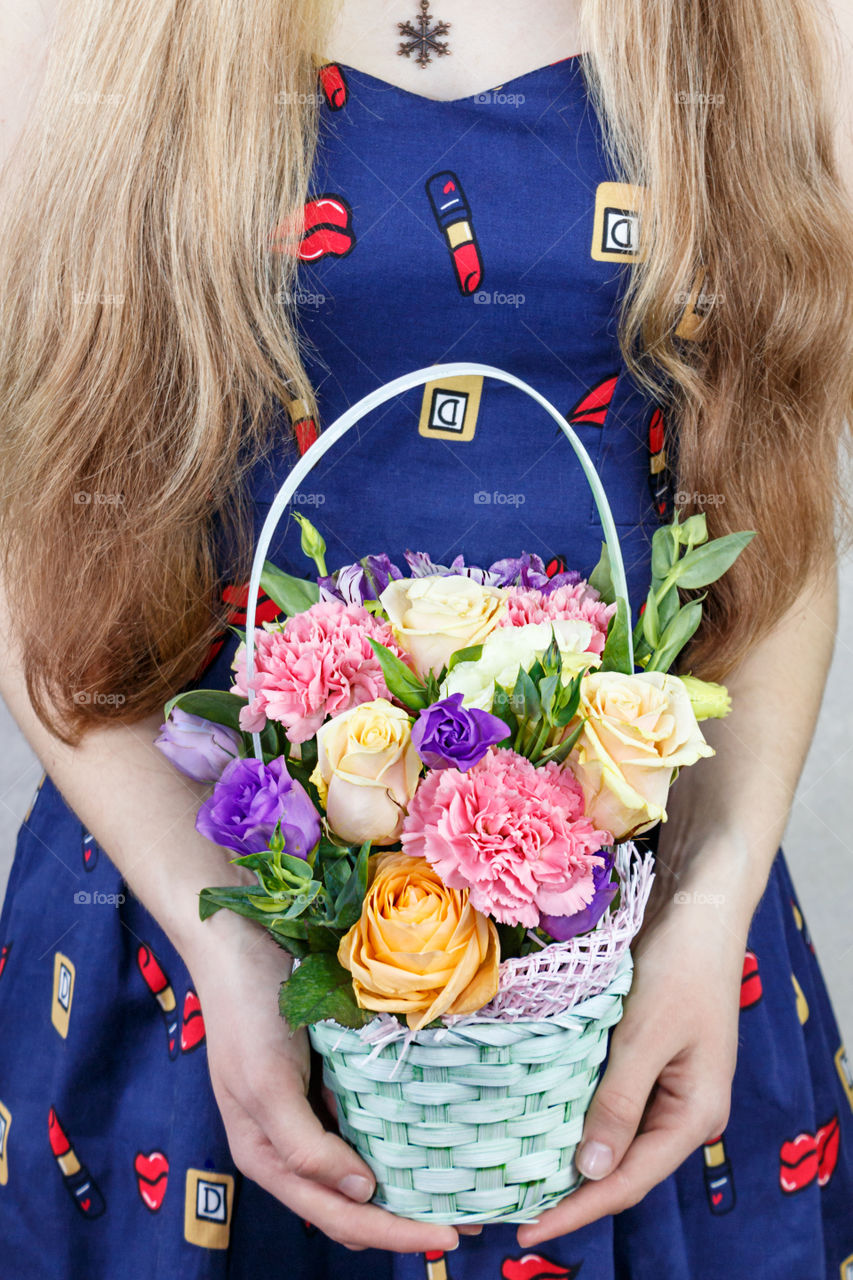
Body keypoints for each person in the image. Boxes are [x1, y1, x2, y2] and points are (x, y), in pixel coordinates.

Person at [0, 0, 852, 1276]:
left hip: (635, 959)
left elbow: (770, 538)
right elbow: (40, 549)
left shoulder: (761, 27)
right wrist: (228, 944)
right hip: (186, 945)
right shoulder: (84, 25)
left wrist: (710, 895)